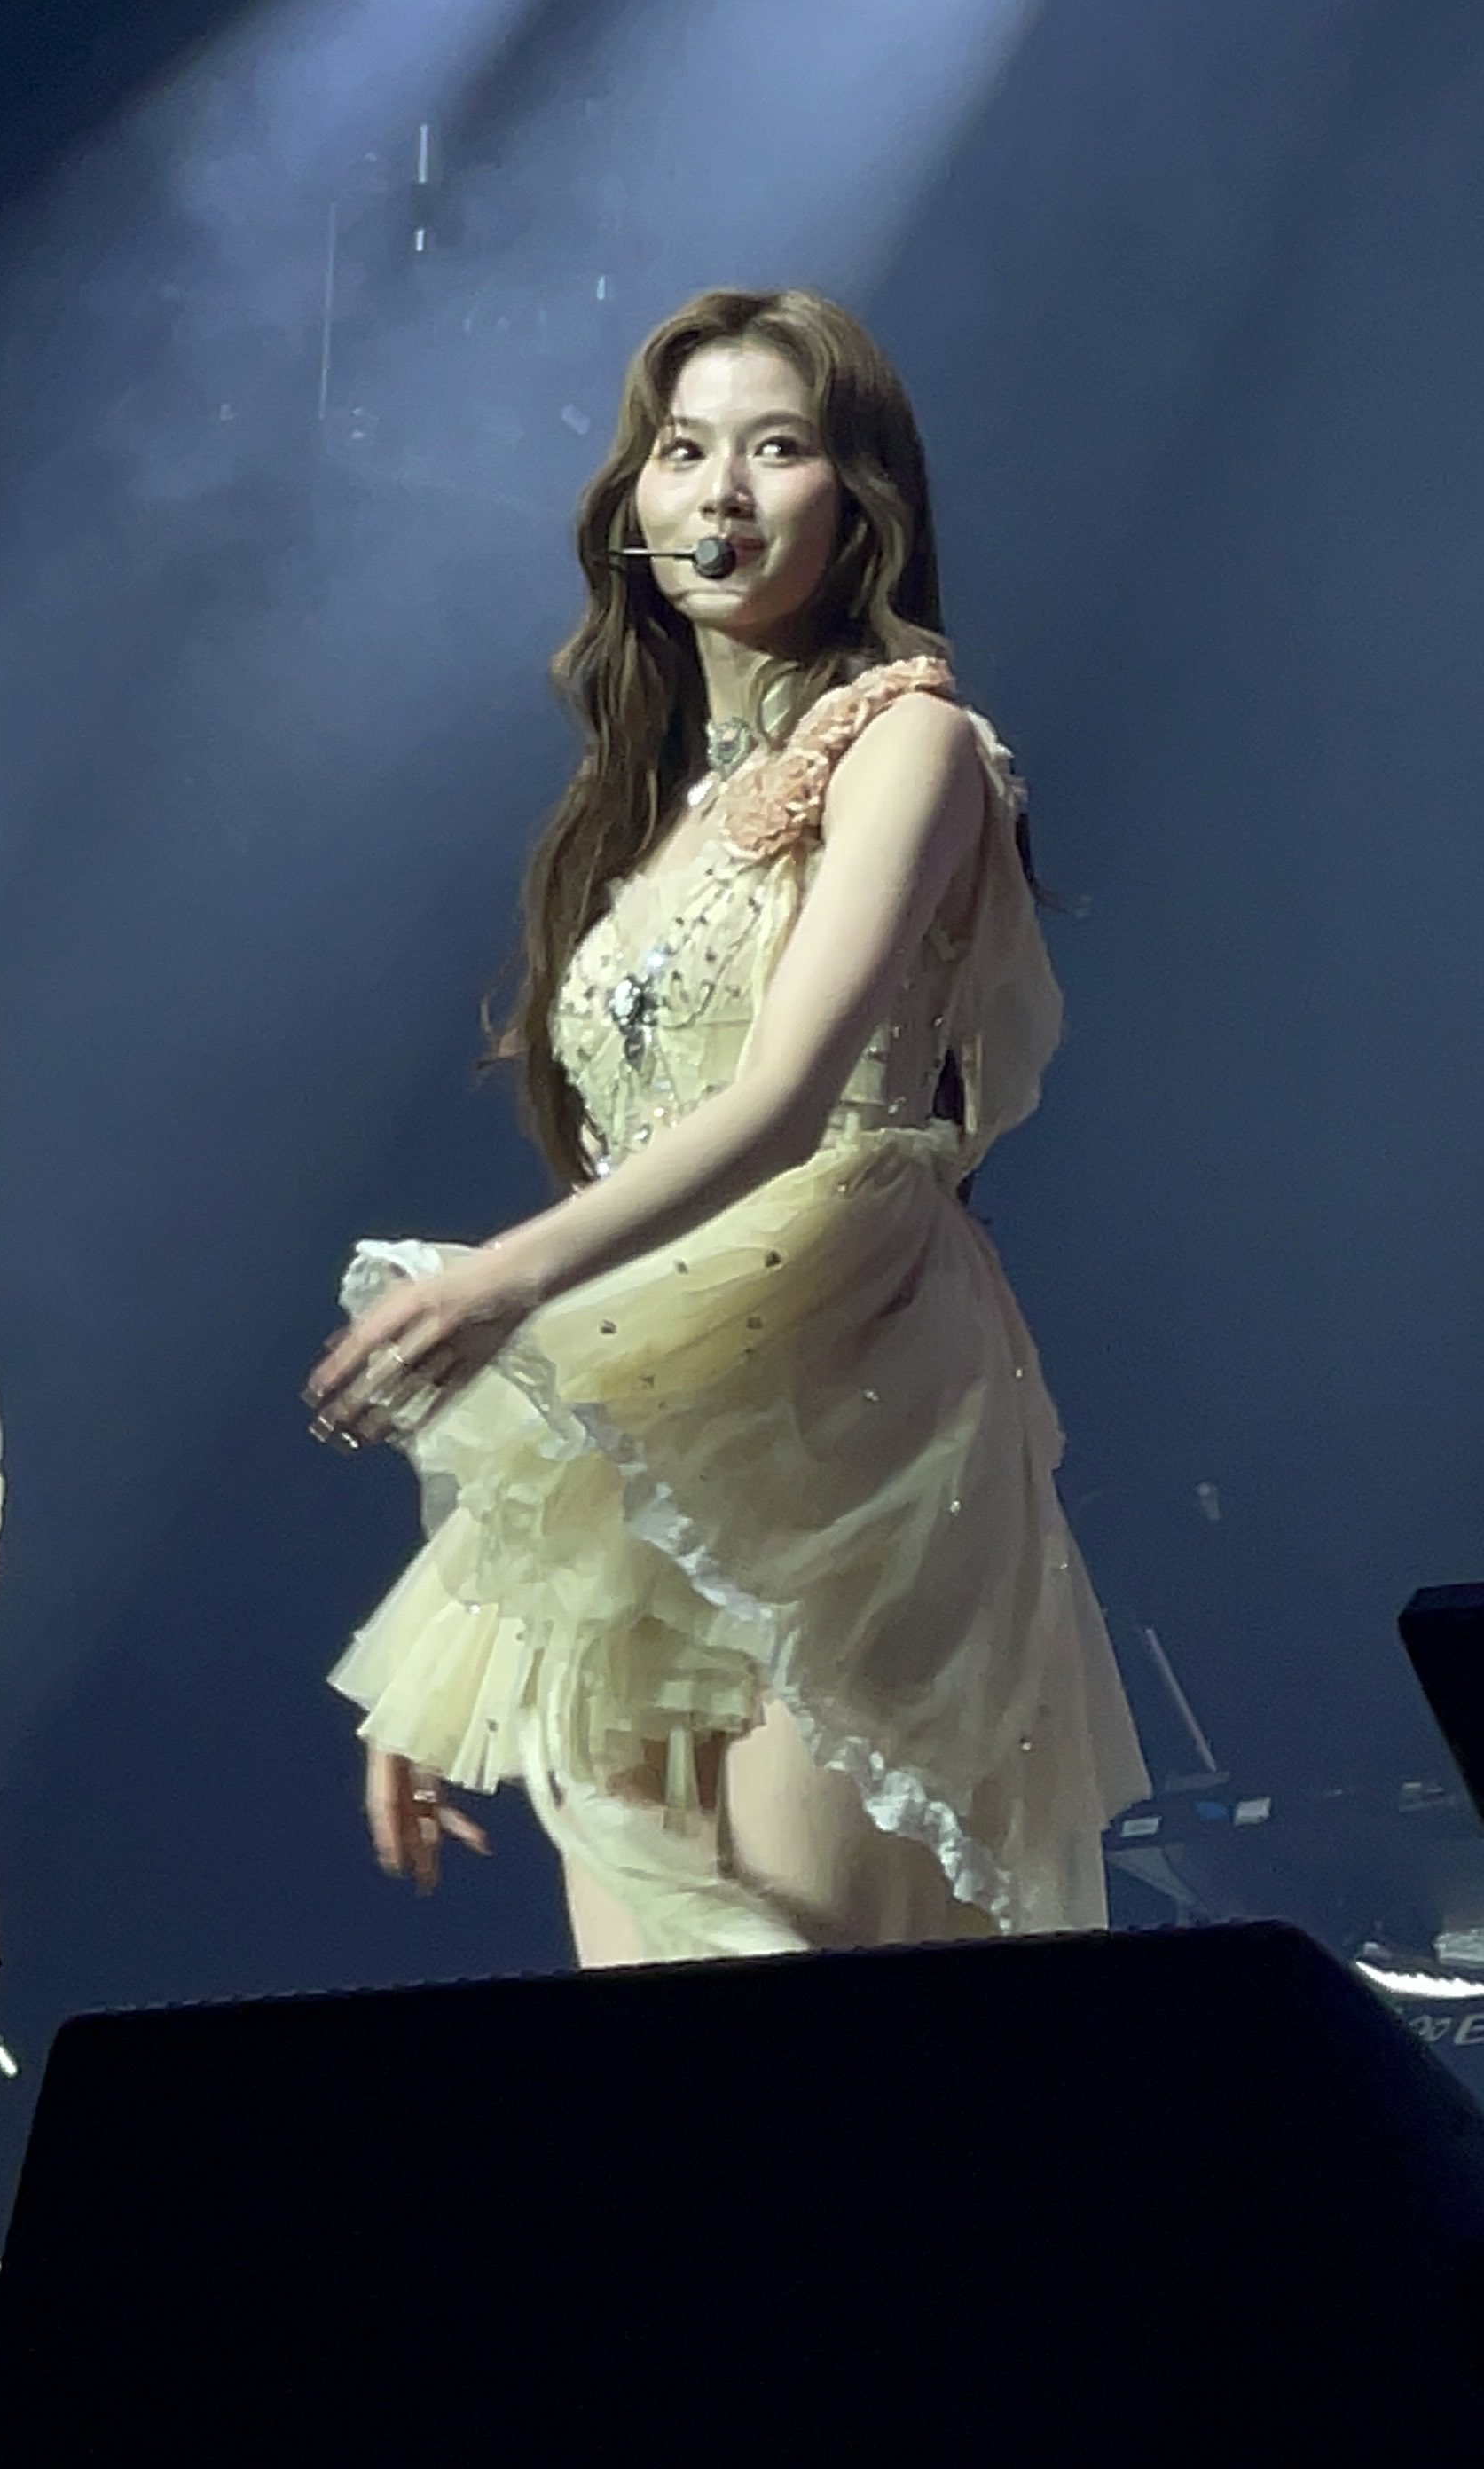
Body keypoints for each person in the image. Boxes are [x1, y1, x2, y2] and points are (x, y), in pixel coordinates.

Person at [306, 287, 1145, 1966]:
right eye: (685, 451)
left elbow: (784, 1102)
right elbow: (626, 1232)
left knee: (814, 2003)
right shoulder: (646, 813)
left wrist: (492, 1283)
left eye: (778, 448)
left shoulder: (912, 743)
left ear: (862, 498)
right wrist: (460, 1624)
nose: (724, 493)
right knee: (654, 2037)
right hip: (658, 1435)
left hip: (853, 1406)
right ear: (634, 501)